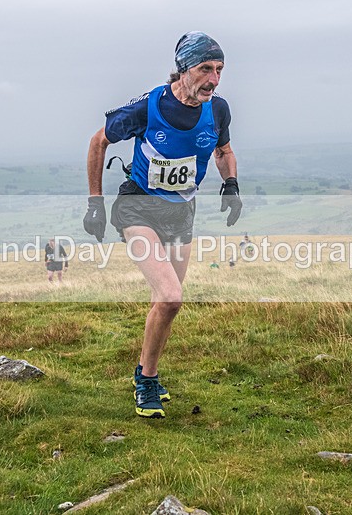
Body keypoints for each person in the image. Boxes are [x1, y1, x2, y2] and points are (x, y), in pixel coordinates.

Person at [83, 31, 242, 418]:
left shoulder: (218, 110)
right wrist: (95, 203)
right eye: (206, 69)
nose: (214, 80)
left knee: (165, 304)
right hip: (138, 207)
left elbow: (223, 150)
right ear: (183, 69)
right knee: (171, 296)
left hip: (181, 212)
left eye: (220, 70)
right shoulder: (148, 107)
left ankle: (146, 373)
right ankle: (147, 381)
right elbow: (98, 142)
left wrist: (231, 184)